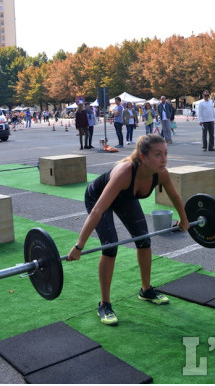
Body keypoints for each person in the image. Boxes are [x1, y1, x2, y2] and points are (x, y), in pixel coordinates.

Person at [67, 134, 190, 326]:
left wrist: (184, 219)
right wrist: (79, 245)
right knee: (110, 247)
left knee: (143, 241)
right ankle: (104, 303)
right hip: (98, 198)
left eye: (165, 153)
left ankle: (146, 290)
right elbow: (98, 210)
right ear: (143, 157)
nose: (164, 159)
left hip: (126, 198)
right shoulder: (124, 172)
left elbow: (174, 196)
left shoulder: (161, 173)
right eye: (158, 155)